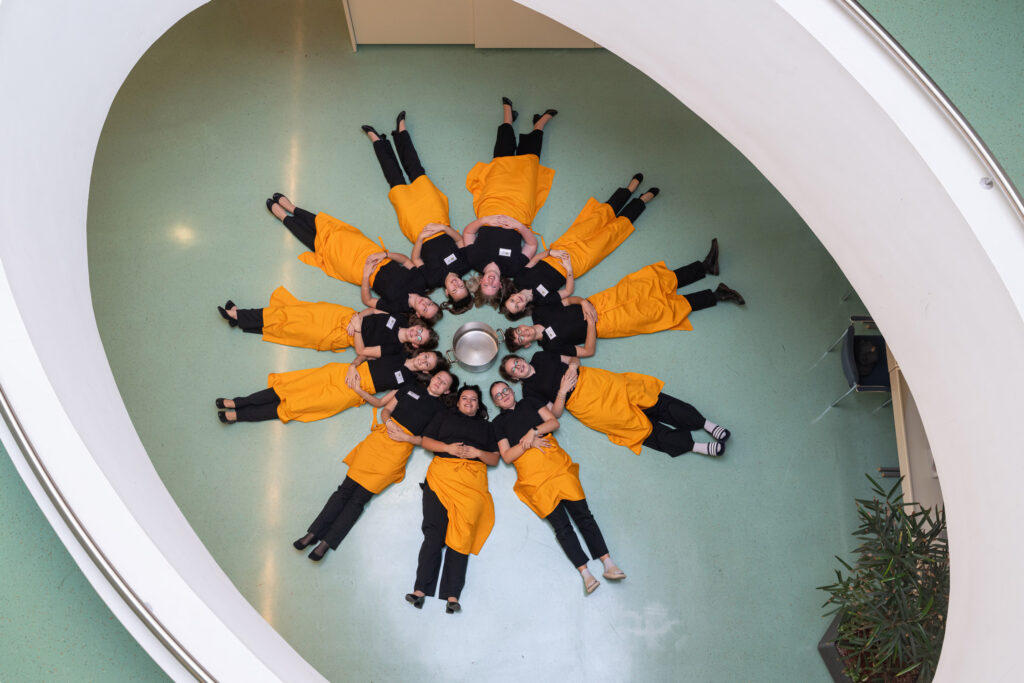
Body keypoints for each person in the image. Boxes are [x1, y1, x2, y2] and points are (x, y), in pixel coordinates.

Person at [294, 370, 459, 562]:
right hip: (378, 441)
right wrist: (388, 423)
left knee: (358, 500)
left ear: (447, 391)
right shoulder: (409, 388)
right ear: (432, 378)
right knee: (344, 491)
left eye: (444, 383)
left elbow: (426, 440)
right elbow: (386, 410)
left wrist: (405, 437)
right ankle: (313, 534)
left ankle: (326, 543)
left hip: (397, 452)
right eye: (438, 377)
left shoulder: (440, 411)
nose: (439, 382)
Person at [490, 381, 625, 595]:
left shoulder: (530, 402)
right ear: (496, 402)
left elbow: (553, 423)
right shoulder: (498, 423)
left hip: (558, 466)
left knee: (584, 516)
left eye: (505, 390)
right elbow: (507, 456)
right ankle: (585, 574)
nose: (503, 395)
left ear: (512, 390)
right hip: (534, 479)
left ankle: (608, 563)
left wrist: (533, 432)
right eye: (498, 395)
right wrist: (529, 443)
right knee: (562, 527)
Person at [503, 245, 746, 356]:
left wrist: (584, 303)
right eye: (521, 339)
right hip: (606, 324)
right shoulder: (550, 347)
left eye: (518, 331)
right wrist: (591, 324)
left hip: (599, 301)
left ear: (520, 326)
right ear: (527, 345)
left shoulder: (540, 312)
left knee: (649, 284)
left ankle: (704, 267)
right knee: (658, 311)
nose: (523, 333)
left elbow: (567, 300)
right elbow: (587, 351)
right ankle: (717, 295)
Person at [499, 353, 730, 457]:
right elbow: (555, 414)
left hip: (596, 380)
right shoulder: (529, 392)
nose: (518, 367)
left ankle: (706, 424)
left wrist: (572, 368)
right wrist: (562, 390)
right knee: (636, 428)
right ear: (514, 378)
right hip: (586, 405)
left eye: (516, 362)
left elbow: (573, 358)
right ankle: (695, 446)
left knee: (651, 399)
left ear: (522, 358)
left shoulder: (540, 356)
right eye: (513, 370)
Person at [264, 193, 441, 323]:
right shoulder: (420, 283)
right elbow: (406, 261)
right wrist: (385, 254)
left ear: (418, 315)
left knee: (324, 250)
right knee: (334, 230)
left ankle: (284, 217)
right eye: (430, 303)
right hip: (374, 253)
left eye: (425, 309)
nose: (425, 303)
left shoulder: (397, 307)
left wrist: (365, 276)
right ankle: (292, 208)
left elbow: (368, 300)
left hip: (358, 270)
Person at [500, 175, 659, 319]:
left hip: (559, 249)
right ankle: (641, 201)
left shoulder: (519, 280)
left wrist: (550, 252)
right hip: (575, 263)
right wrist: (569, 269)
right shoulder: (542, 301)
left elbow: (534, 260)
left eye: (512, 301)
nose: (517, 301)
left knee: (596, 219)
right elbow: (568, 291)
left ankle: (628, 190)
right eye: (517, 306)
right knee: (610, 234)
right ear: (523, 309)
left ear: (511, 295)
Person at [362, 111, 474, 314]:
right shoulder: (465, 265)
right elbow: (459, 240)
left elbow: (417, 260)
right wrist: (443, 228)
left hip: (417, 228)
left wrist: (421, 238)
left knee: (396, 181)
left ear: (447, 293)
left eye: (454, 290)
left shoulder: (431, 279)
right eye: (462, 287)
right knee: (417, 172)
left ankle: (378, 141)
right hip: (438, 219)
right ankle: (401, 132)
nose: (456, 285)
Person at [405, 385, 499, 614]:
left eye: (474, 399)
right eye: (465, 398)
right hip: (441, 477)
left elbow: (495, 459)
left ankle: (452, 595)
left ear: (478, 404)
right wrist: (448, 448)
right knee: (434, 533)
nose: (469, 401)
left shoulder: (487, 427)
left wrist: (477, 453)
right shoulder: (443, 416)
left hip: (472, 482)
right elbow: (426, 441)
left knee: (462, 535)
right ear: (458, 402)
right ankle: (420, 590)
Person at [462, 97, 558, 307]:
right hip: (519, 210)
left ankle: (508, 118)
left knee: (501, 161)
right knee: (528, 166)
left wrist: (484, 220)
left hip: (491, 205)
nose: (490, 281)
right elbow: (532, 244)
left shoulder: (474, 260)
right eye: (493, 286)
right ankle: (539, 126)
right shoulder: (514, 268)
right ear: (500, 286)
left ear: (480, 282)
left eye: (485, 285)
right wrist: (518, 226)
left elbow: (468, 233)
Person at [214, 350, 447, 424]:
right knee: (292, 387)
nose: (424, 361)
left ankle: (239, 415)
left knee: (297, 405)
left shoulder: (408, 382)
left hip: (352, 392)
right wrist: (353, 366)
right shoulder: (398, 352)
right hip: (342, 372)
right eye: (426, 356)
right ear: (422, 352)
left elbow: (379, 403)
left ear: (427, 371)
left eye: (428, 364)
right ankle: (238, 402)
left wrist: (359, 391)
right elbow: (364, 353)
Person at [217, 286, 437, 353]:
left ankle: (239, 317)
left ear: (416, 345)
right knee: (292, 313)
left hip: (343, 336)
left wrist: (356, 330)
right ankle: (240, 315)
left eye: (419, 337)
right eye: (420, 330)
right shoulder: (399, 319)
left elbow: (362, 351)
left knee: (291, 329)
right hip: (342, 315)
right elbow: (372, 310)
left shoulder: (394, 348)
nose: (416, 333)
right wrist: (357, 318)